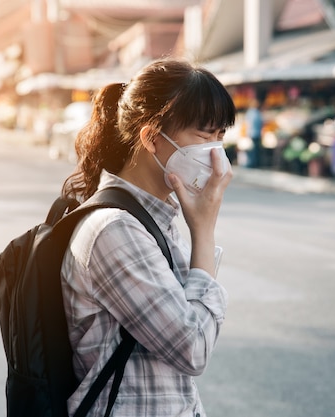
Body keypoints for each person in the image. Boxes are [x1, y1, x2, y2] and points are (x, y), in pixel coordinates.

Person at [59, 58, 235, 416]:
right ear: (152, 138)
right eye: (204, 136)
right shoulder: (114, 230)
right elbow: (192, 348)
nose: (216, 154)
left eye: (221, 136)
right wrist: (203, 230)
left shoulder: (154, 217)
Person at [244, 97, 263, 167]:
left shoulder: (251, 113)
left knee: (253, 149)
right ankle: (254, 163)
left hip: (253, 133)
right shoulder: (257, 113)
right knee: (254, 149)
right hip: (256, 133)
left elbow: (247, 124)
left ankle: (252, 163)